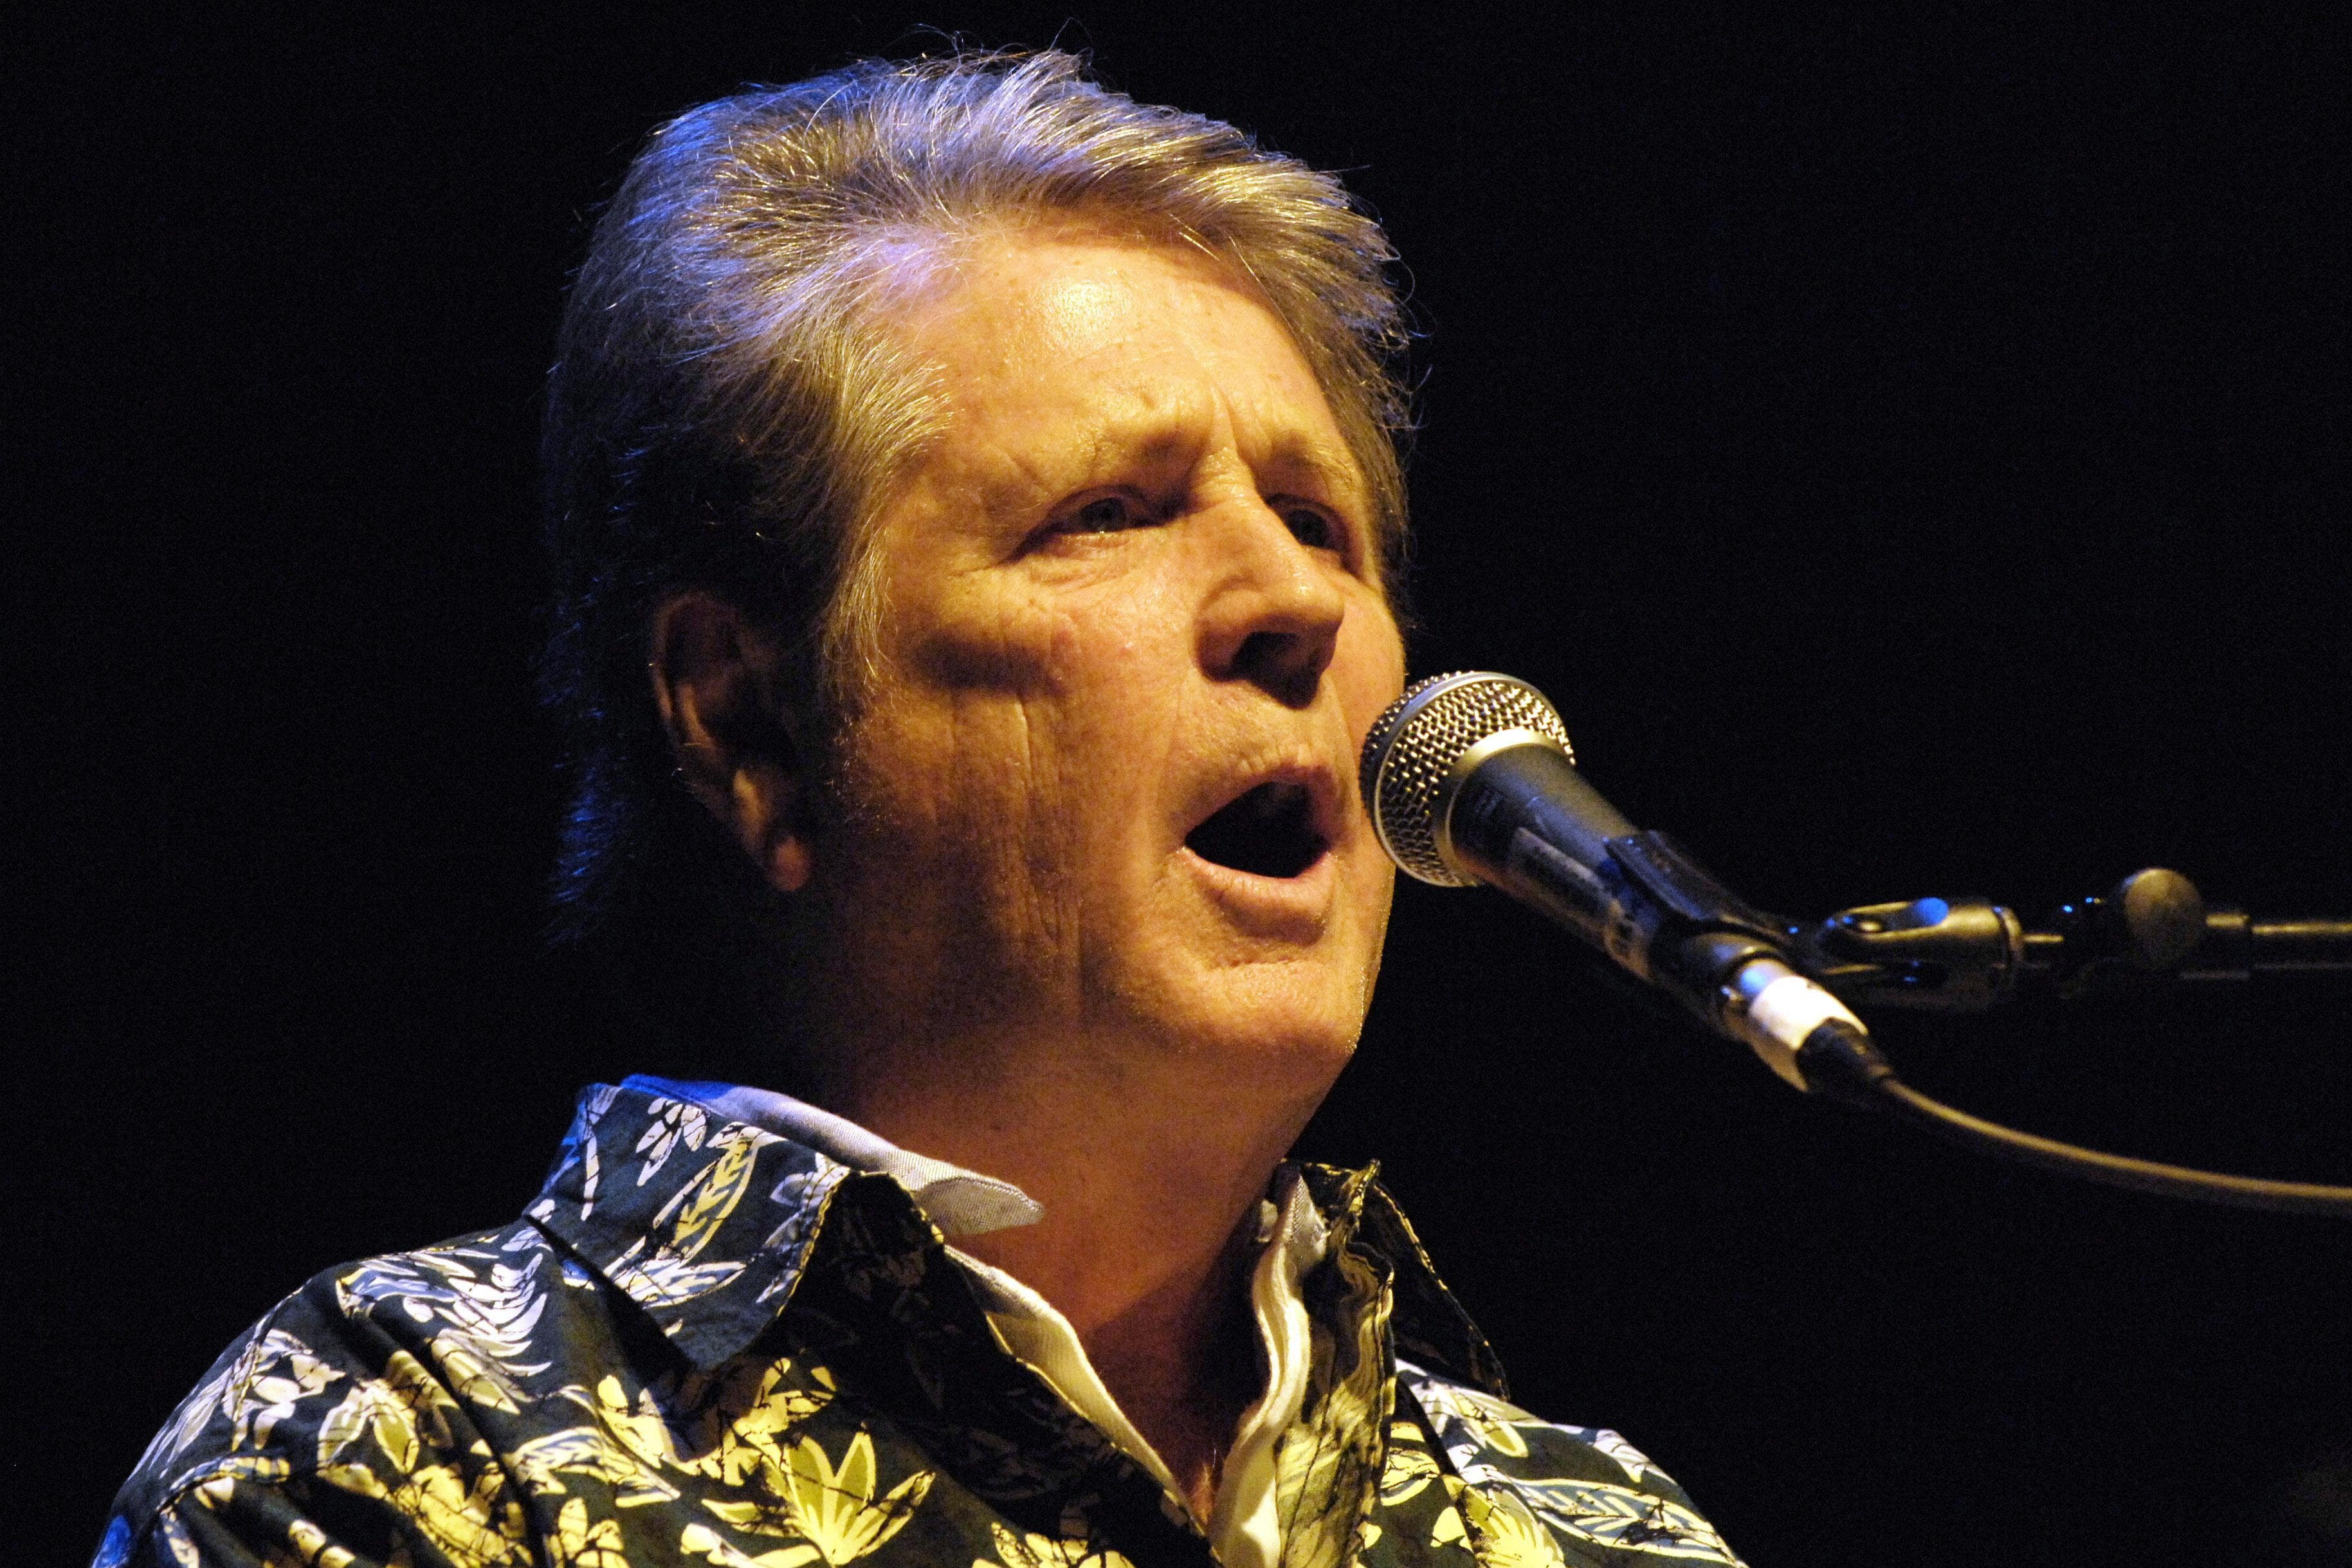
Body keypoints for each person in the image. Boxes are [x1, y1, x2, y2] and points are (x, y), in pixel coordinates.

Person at [98, 51, 1744, 1568]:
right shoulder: (403, 1460)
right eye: (1108, 513)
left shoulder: (1592, 1530)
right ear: (747, 720)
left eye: (1320, 523)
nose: (1288, 602)